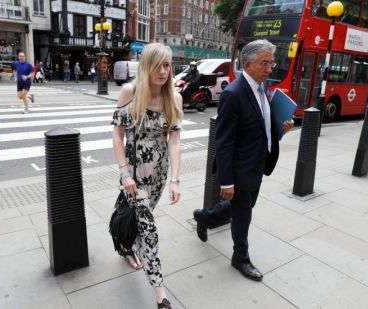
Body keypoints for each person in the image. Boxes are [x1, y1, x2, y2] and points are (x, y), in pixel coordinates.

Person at [193, 39, 294, 281]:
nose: (270, 69)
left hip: (257, 164)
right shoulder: (233, 94)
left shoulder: (262, 88)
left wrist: (280, 127)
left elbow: (260, 125)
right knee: (243, 215)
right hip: (240, 169)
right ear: (247, 64)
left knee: (244, 206)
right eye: (264, 63)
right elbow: (224, 141)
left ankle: (205, 216)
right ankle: (241, 257)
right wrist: (226, 181)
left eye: (271, 63)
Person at [111, 42, 182, 309]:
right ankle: (161, 295)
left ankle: (125, 243)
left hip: (159, 175)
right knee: (149, 230)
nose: (163, 71)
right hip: (133, 173)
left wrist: (175, 179)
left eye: (167, 65)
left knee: (139, 218)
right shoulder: (130, 92)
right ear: (146, 65)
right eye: (158, 64)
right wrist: (124, 173)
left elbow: (174, 140)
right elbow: (117, 135)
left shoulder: (174, 98)